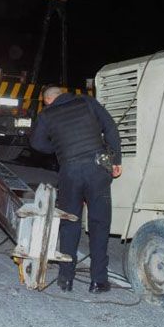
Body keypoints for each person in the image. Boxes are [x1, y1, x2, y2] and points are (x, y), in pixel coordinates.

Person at [29, 86, 122, 293]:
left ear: (47, 101)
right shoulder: (87, 102)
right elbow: (110, 127)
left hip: (70, 170)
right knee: (99, 224)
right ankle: (98, 281)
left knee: (70, 223)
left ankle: (66, 279)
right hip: (97, 168)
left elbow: (36, 143)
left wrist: (59, 147)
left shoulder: (46, 114)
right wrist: (116, 160)